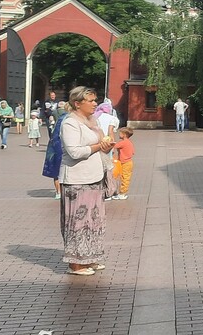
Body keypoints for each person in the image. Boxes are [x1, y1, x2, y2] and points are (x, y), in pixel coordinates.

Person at [59, 87, 114, 275]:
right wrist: (99, 145)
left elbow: (98, 147)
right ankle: (76, 263)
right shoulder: (70, 123)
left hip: (95, 176)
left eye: (95, 100)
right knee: (78, 221)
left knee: (94, 220)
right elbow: (74, 151)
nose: (95, 103)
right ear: (77, 103)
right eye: (90, 100)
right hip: (77, 179)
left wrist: (105, 146)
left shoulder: (93, 121)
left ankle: (90, 257)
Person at [43, 103, 68, 198]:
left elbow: (51, 125)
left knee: (56, 170)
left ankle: (58, 192)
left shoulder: (55, 114)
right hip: (64, 146)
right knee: (63, 170)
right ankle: (63, 191)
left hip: (54, 144)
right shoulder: (68, 118)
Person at [113, 127, 136, 200]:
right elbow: (132, 152)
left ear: (124, 135)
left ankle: (122, 193)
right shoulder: (129, 142)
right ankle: (122, 192)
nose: (119, 134)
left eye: (120, 133)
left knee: (124, 178)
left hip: (125, 162)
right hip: (128, 162)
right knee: (125, 177)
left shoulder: (123, 143)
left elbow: (114, 146)